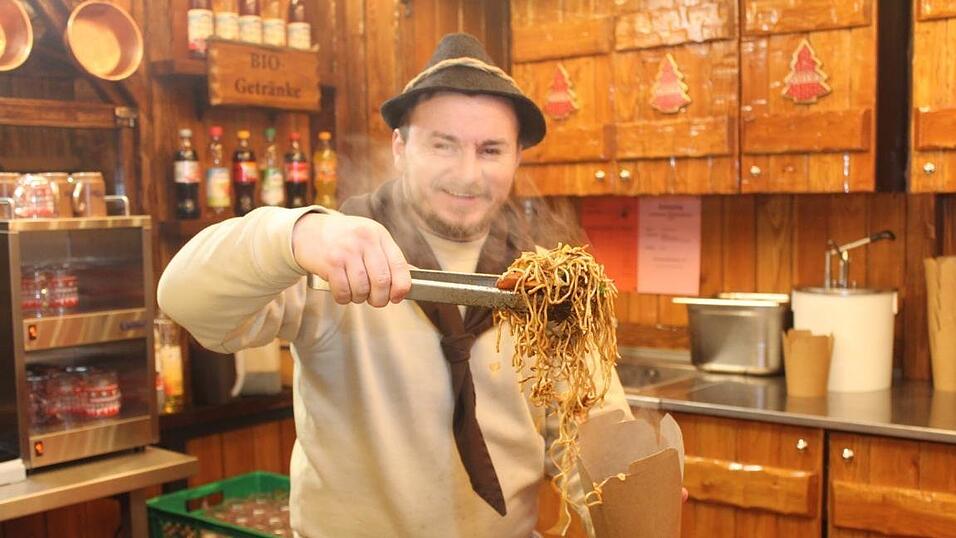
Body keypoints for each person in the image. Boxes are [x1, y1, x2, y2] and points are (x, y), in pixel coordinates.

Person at [158, 33, 635, 537]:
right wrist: (295, 234)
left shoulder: (551, 284)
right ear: (400, 148)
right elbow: (184, 299)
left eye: (491, 149)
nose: (468, 173)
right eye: (442, 145)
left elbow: (594, 433)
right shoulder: (335, 251)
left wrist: (632, 500)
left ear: (517, 157)